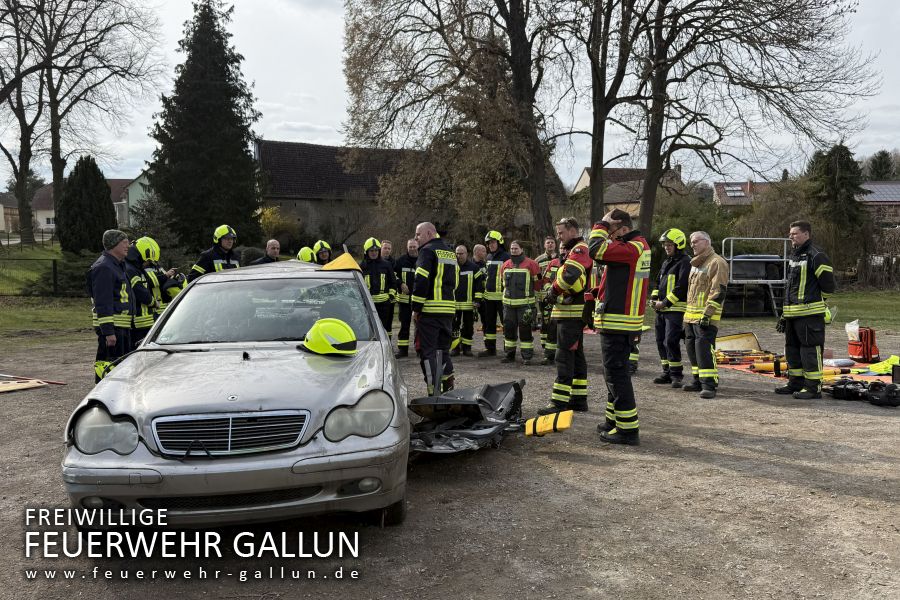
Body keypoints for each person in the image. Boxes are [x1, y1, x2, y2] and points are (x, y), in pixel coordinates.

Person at [588, 209, 651, 446]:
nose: (609, 236)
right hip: (619, 320)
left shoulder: (633, 247)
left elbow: (596, 250)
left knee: (616, 375)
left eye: (611, 231)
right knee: (612, 374)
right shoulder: (634, 247)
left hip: (620, 322)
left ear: (623, 228)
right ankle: (613, 421)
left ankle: (627, 429)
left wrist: (600, 224)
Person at [538, 217, 593, 416]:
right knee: (576, 356)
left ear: (572, 230)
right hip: (572, 313)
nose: (559, 237)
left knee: (563, 357)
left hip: (572, 314)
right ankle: (578, 400)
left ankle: (559, 403)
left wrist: (553, 291)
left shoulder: (579, 249)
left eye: (561, 233)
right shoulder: (574, 250)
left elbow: (569, 274)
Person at [776, 221, 836, 399]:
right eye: (790, 233)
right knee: (792, 350)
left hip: (810, 315)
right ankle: (795, 383)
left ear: (806, 235)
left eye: (794, 233)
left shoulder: (816, 255)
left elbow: (828, 286)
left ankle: (813, 388)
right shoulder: (795, 256)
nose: (790, 236)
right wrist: (784, 315)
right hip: (792, 315)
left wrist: (817, 303)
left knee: (810, 351)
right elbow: (790, 288)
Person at [411, 222, 459, 395]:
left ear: (430, 233)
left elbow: (421, 280)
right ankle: (448, 388)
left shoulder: (426, 251)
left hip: (429, 310)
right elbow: (457, 282)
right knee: (443, 351)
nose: (416, 238)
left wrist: (416, 308)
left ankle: (433, 392)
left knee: (428, 352)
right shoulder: (450, 253)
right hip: (447, 310)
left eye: (418, 234)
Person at [683, 231, 729, 399]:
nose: (692, 245)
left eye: (695, 241)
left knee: (704, 351)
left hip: (706, 318)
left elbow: (718, 291)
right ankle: (698, 380)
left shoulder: (717, 262)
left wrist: (707, 314)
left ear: (707, 242)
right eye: (691, 242)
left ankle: (709, 384)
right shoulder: (696, 264)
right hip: (690, 317)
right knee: (692, 351)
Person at [88, 230, 134, 381]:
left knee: (119, 366)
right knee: (108, 366)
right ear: (114, 244)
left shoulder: (116, 265)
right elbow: (103, 301)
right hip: (114, 329)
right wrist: (108, 332)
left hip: (121, 327)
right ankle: (102, 397)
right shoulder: (104, 267)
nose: (128, 245)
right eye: (124, 242)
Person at [651, 228, 691, 387]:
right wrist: (654, 298)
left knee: (670, 341)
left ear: (678, 244)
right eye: (665, 244)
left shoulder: (685, 262)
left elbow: (681, 287)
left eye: (669, 244)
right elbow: (658, 282)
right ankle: (666, 372)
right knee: (660, 341)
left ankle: (676, 375)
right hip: (661, 309)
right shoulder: (667, 262)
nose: (666, 247)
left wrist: (665, 302)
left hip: (675, 309)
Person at [500, 240, 542, 364]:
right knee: (508, 330)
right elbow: (502, 284)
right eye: (512, 248)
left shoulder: (532, 264)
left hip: (525, 305)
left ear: (522, 249)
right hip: (508, 306)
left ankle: (527, 357)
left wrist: (535, 304)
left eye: (516, 248)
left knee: (525, 330)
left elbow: (538, 283)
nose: (513, 250)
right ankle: (509, 355)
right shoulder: (505, 265)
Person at [477, 230, 509, 357]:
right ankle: (490, 349)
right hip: (489, 298)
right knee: (489, 324)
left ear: (499, 242)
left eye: (493, 242)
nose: (491, 245)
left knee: (506, 323)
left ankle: (508, 349)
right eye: (489, 243)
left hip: (502, 297)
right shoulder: (489, 257)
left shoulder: (506, 257)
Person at [360, 237, 398, 338]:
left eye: (376, 250)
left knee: (384, 329)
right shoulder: (361, 266)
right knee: (369, 330)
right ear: (366, 252)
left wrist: (390, 296)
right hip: (368, 305)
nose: (374, 253)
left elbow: (393, 282)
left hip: (384, 305)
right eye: (371, 251)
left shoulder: (386, 265)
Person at [124, 239, 158, 347]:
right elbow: (139, 290)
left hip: (143, 321)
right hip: (138, 323)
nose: (148, 264)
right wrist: (153, 302)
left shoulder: (135, 268)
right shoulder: (131, 269)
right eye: (148, 261)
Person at [452, 244, 483, 357]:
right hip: (454, 304)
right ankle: (455, 348)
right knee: (454, 326)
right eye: (457, 253)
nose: (459, 255)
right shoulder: (451, 266)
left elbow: (479, 285)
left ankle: (467, 348)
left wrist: (477, 300)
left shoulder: (474, 267)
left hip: (469, 304)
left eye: (461, 253)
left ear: (467, 254)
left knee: (468, 327)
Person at [539, 247, 564, 365]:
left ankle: (565, 357)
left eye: (565, 248)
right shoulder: (553, 263)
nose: (563, 250)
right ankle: (549, 356)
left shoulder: (574, 261)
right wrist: (550, 291)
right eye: (562, 248)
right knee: (551, 328)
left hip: (570, 302)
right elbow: (545, 280)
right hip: (554, 301)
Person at [394, 239, 418, 358]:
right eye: (410, 247)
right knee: (404, 325)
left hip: (418, 300)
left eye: (414, 246)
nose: (412, 249)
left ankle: (420, 349)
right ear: (407, 248)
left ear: (418, 247)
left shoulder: (423, 259)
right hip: (404, 300)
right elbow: (393, 274)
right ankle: (403, 350)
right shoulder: (400, 261)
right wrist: (400, 283)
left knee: (420, 326)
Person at [472, 243, 488, 326]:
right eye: (483, 251)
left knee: (486, 320)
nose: (485, 253)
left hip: (484, 298)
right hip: (473, 297)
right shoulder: (470, 265)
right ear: (477, 252)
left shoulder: (485, 264)